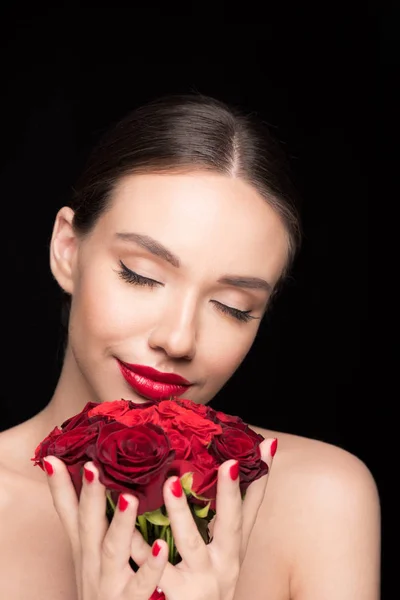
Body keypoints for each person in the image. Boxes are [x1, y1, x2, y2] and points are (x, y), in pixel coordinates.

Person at [0, 93, 380, 600]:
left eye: (232, 307)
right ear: (68, 250)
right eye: (141, 274)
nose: (178, 340)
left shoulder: (321, 499)